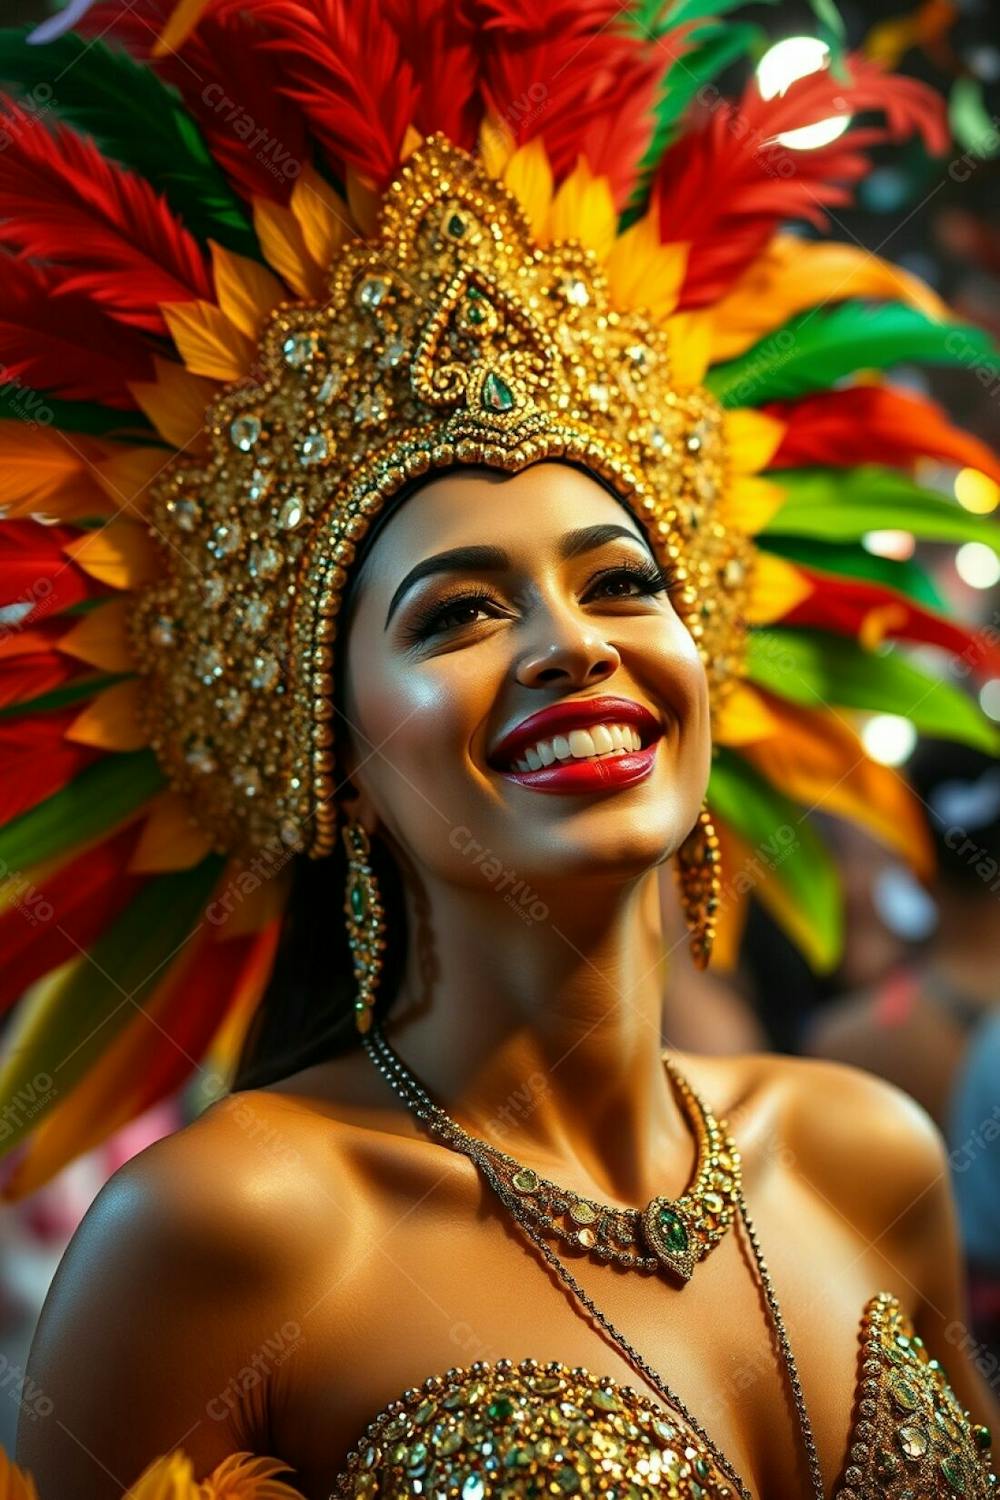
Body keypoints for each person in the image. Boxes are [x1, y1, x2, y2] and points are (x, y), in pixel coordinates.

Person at [1, 3, 999, 1497]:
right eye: (458, 611)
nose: (571, 644)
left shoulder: (869, 1156)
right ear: (321, 743)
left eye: (621, 581)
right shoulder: (234, 1232)